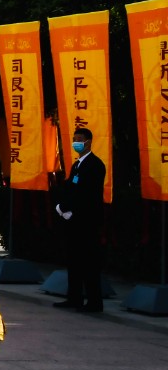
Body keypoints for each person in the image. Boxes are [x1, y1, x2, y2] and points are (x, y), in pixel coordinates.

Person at [55, 127, 108, 313]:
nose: (76, 142)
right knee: (74, 259)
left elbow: (87, 194)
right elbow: (70, 187)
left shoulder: (95, 165)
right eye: (74, 138)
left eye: (80, 139)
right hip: (73, 221)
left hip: (87, 221)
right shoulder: (77, 164)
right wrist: (61, 206)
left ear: (88, 142)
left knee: (89, 262)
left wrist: (68, 208)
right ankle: (74, 297)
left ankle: (94, 302)